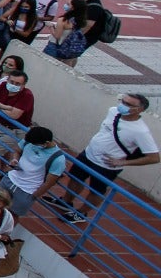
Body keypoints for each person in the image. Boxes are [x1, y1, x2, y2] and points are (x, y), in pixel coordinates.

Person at [52, 92, 158, 224]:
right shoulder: (113, 111)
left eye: (128, 104)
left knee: (96, 191)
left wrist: (123, 162)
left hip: (107, 166)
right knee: (75, 177)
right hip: (88, 154)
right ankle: (66, 201)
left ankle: (81, 212)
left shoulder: (141, 131)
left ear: (140, 110)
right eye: (122, 101)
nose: (122, 105)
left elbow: (154, 157)